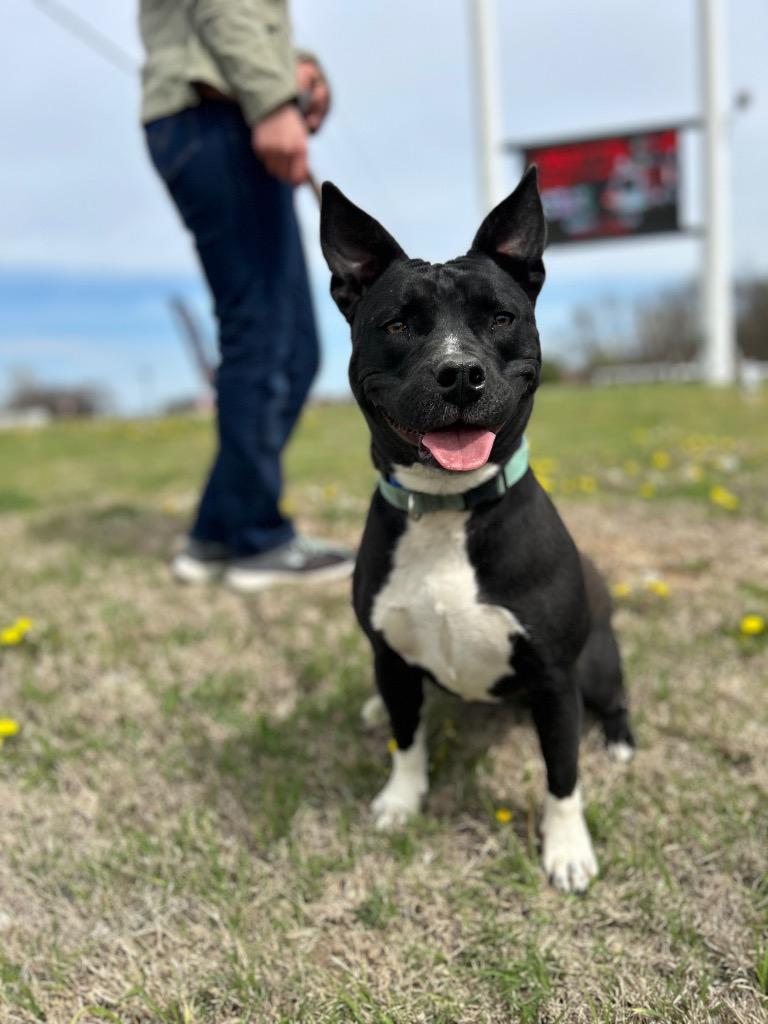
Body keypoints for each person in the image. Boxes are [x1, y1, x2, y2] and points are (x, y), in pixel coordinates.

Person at [139, 0, 354, 591]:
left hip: (214, 115)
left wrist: (298, 68)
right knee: (264, 340)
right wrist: (272, 101)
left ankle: (216, 534)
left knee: (292, 350)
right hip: (217, 117)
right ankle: (259, 541)